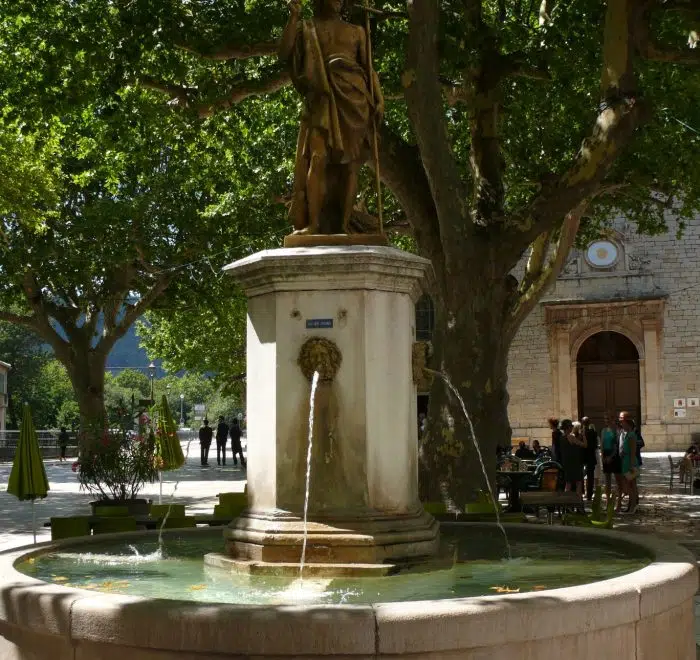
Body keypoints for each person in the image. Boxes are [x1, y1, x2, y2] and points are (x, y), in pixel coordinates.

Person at [278, 0, 384, 236]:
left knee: (351, 166)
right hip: (322, 96)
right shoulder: (307, 27)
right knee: (318, 157)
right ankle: (313, 225)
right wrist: (293, 17)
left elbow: (369, 69)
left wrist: (379, 97)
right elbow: (284, 53)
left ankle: (343, 225)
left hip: (355, 97)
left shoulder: (358, 31)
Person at [618, 411, 640, 514]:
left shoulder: (631, 435)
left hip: (630, 462)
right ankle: (631, 506)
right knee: (630, 485)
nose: (621, 424)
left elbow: (633, 452)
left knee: (631, 486)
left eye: (622, 422)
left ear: (628, 423)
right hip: (626, 461)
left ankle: (633, 506)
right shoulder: (626, 434)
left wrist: (631, 466)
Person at [600, 413, 623, 506]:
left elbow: (617, 445)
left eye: (608, 418)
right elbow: (602, 444)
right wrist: (602, 456)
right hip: (605, 455)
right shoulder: (603, 430)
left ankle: (619, 502)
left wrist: (611, 456)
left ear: (613, 419)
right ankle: (608, 502)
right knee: (607, 480)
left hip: (615, 455)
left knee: (618, 480)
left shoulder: (616, 430)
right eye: (605, 418)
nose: (607, 420)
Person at [560, 419, 585, 495]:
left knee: (568, 483)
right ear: (568, 428)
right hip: (574, 463)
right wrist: (583, 435)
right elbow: (584, 445)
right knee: (578, 482)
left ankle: (566, 500)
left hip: (566, 462)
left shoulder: (562, 437)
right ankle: (578, 499)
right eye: (571, 426)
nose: (572, 428)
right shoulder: (571, 437)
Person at [581, 417, 598, 501]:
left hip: (583, 457)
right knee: (590, 477)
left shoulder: (581, 433)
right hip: (591, 457)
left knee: (581, 476)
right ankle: (589, 495)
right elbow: (595, 445)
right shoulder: (593, 433)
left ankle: (583, 493)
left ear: (582, 423)